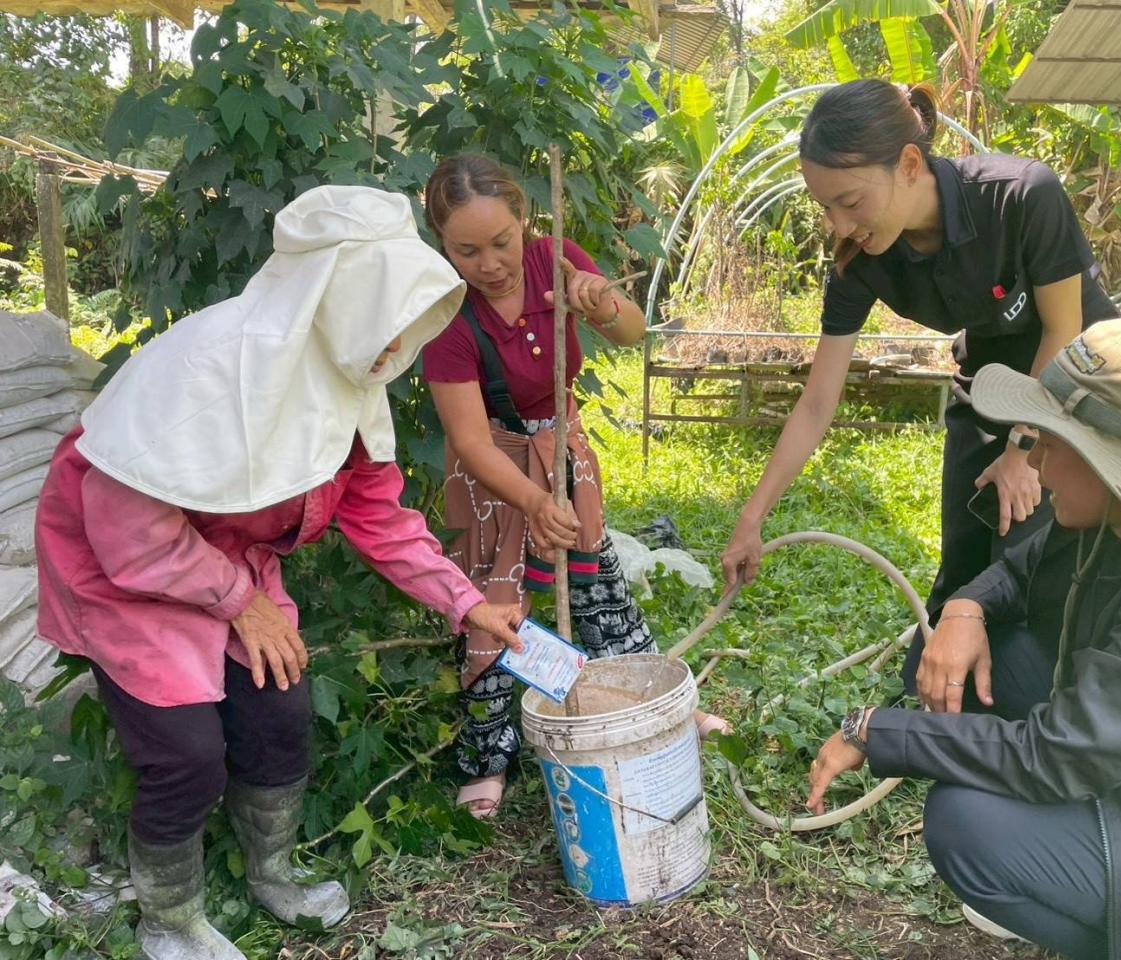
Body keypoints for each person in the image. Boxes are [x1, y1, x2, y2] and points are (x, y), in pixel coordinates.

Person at [34, 186, 526, 960]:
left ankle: (272, 871)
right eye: (384, 316)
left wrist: (466, 605)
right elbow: (129, 534)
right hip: (127, 572)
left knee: (278, 711)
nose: (396, 343)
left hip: (228, 564)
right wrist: (239, 602)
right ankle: (170, 918)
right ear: (340, 301)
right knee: (186, 751)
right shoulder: (208, 368)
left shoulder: (349, 382)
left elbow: (380, 518)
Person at [805, 319, 1121, 960]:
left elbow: (1058, 756)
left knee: (968, 826)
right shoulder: (1117, 512)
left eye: (1051, 444)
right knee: (938, 653)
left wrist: (877, 732)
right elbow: (1020, 572)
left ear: (1116, 462)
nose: (1034, 464)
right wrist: (965, 609)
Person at [719, 78, 1121, 695]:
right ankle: (932, 700)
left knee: (1032, 564)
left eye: (850, 201)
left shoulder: (1019, 195)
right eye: (826, 207)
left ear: (909, 164)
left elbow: (1062, 333)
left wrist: (1024, 448)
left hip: (1079, 385)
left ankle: (1044, 707)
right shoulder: (860, 261)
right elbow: (818, 401)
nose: (840, 224)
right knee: (964, 562)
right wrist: (752, 518)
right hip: (989, 384)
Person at [420, 154, 726, 817]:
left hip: (562, 450)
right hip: (494, 472)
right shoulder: (445, 314)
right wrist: (532, 500)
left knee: (595, 584)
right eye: (466, 251)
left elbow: (632, 331)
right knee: (495, 606)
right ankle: (488, 755)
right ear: (442, 245)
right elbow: (470, 441)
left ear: (523, 219)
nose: (489, 264)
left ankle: (652, 705)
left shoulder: (554, 262)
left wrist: (602, 301)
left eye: (501, 241)